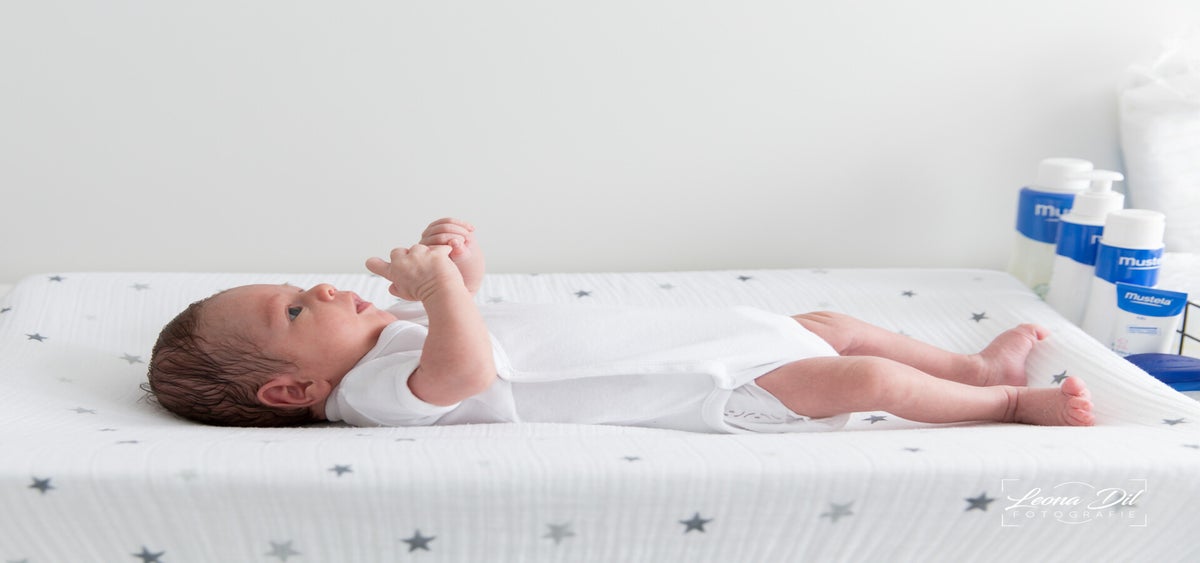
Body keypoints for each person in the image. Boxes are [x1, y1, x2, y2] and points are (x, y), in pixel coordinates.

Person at [145, 218, 1095, 431]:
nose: (320, 288)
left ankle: (972, 366)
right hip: (709, 388)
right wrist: (440, 295)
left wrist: (456, 261)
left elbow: (472, 307)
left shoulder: (388, 330)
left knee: (831, 323)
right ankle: (1008, 404)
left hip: (720, 337)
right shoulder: (372, 396)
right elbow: (467, 370)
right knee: (867, 381)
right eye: (295, 309)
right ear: (292, 388)